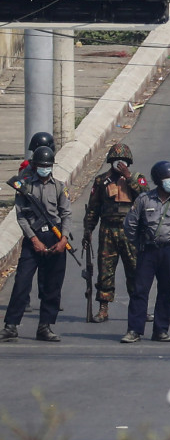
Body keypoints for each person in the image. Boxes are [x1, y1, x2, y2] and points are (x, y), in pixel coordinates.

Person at [1, 145, 71, 342]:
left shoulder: (59, 186)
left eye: (47, 166)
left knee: (52, 285)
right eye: (41, 165)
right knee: (22, 283)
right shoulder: (25, 186)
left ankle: (45, 326)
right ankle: (11, 325)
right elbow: (21, 216)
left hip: (55, 238)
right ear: (35, 166)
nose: (44, 169)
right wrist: (33, 239)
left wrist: (64, 238)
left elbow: (66, 213)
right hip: (33, 238)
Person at [121, 161, 170, 343]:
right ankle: (134, 330)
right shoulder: (144, 200)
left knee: (167, 291)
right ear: (159, 181)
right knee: (140, 290)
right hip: (147, 250)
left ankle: (161, 330)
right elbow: (130, 224)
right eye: (169, 179)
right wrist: (139, 243)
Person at [82, 143, 150, 323]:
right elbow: (93, 208)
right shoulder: (101, 181)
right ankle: (103, 308)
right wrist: (88, 230)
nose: (119, 164)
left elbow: (147, 198)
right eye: (116, 161)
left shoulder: (137, 178)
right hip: (108, 231)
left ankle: (139, 308)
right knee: (105, 270)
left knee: (136, 271)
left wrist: (129, 178)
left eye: (123, 161)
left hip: (131, 231)